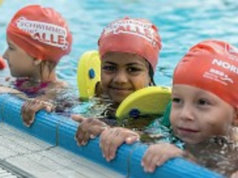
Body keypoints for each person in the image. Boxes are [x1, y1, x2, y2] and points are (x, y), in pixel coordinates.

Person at [141, 40, 238, 176]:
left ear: (235, 116)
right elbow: (140, 140)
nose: (185, 114)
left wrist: (186, 160)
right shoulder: (166, 129)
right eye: (177, 100)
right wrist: (120, 134)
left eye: (202, 102)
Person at [72, 17, 162, 146]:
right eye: (110, 68)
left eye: (133, 69)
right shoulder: (97, 94)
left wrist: (137, 136)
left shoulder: (158, 110)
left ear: (150, 75)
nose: (120, 79)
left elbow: (159, 139)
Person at [1, 5, 72, 126]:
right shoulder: (18, 80)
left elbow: (42, 104)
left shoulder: (57, 90)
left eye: (11, 48)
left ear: (36, 57)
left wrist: (12, 92)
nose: (5, 55)